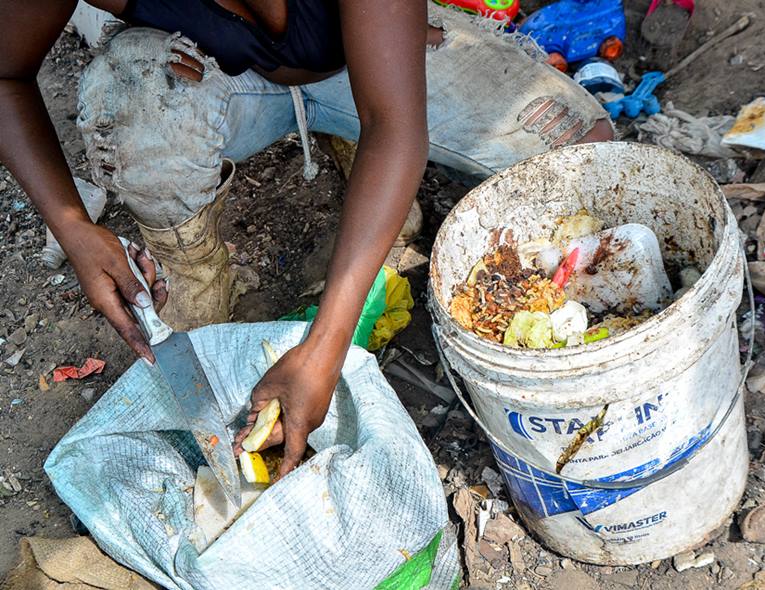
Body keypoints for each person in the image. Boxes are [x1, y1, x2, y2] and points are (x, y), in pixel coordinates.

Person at [0, 0, 613, 479]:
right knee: (127, 96)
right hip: (214, 73)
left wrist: (325, 348)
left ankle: (358, 144)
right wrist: (74, 226)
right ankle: (189, 271)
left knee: (587, 151)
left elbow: (397, 128)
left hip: (370, 56)